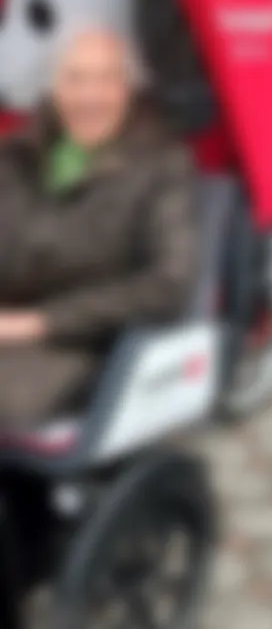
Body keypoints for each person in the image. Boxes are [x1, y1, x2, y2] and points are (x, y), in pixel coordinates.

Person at [0, 25, 197, 426]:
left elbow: (170, 283)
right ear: (54, 89)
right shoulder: (15, 154)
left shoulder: (162, 166)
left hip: (79, 343)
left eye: (106, 79)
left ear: (127, 89)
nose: (90, 96)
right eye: (75, 78)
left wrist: (41, 322)